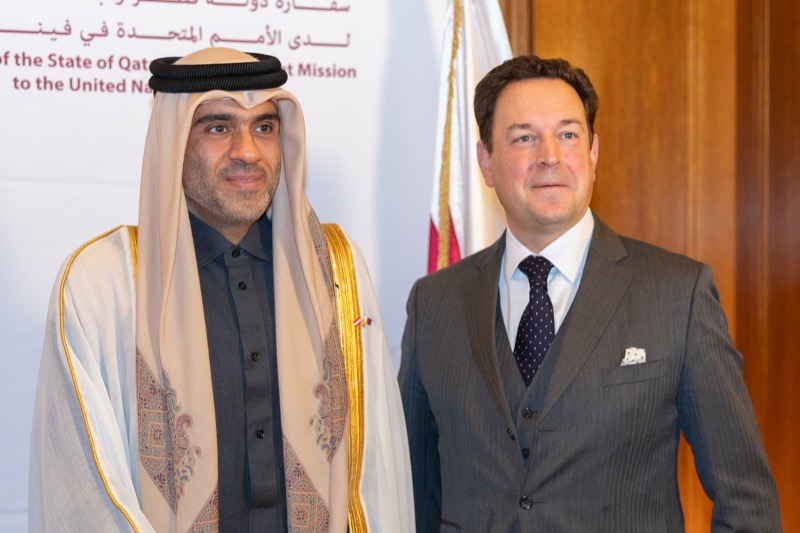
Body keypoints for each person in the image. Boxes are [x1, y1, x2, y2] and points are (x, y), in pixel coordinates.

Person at [29, 47, 413, 533]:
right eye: (217, 128)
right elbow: (84, 487)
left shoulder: (335, 271)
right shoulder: (104, 287)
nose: (247, 151)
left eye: (264, 127)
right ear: (174, 143)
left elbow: (376, 477)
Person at [399, 55, 781, 532]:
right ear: (486, 161)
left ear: (593, 152)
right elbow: (410, 499)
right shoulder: (433, 305)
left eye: (568, 135)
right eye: (524, 138)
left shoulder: (678, 295)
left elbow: (747, 505)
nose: (549, 156)